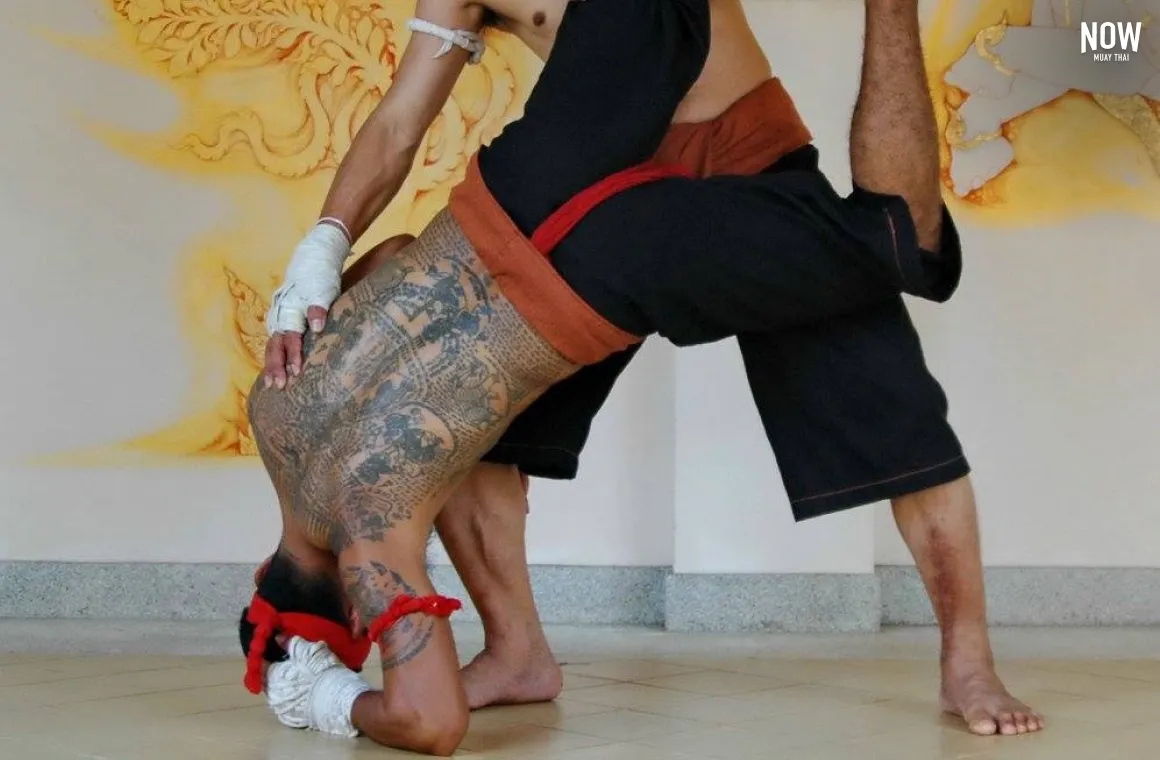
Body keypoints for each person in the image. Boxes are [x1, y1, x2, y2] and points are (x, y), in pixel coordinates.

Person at [258, 0, 1040, 742]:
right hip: (591, 198)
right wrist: (323, 246)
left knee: (887, 403)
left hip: (741, 154)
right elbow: (398, 122)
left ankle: (967, 660)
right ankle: (517, 650)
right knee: (473, 431)